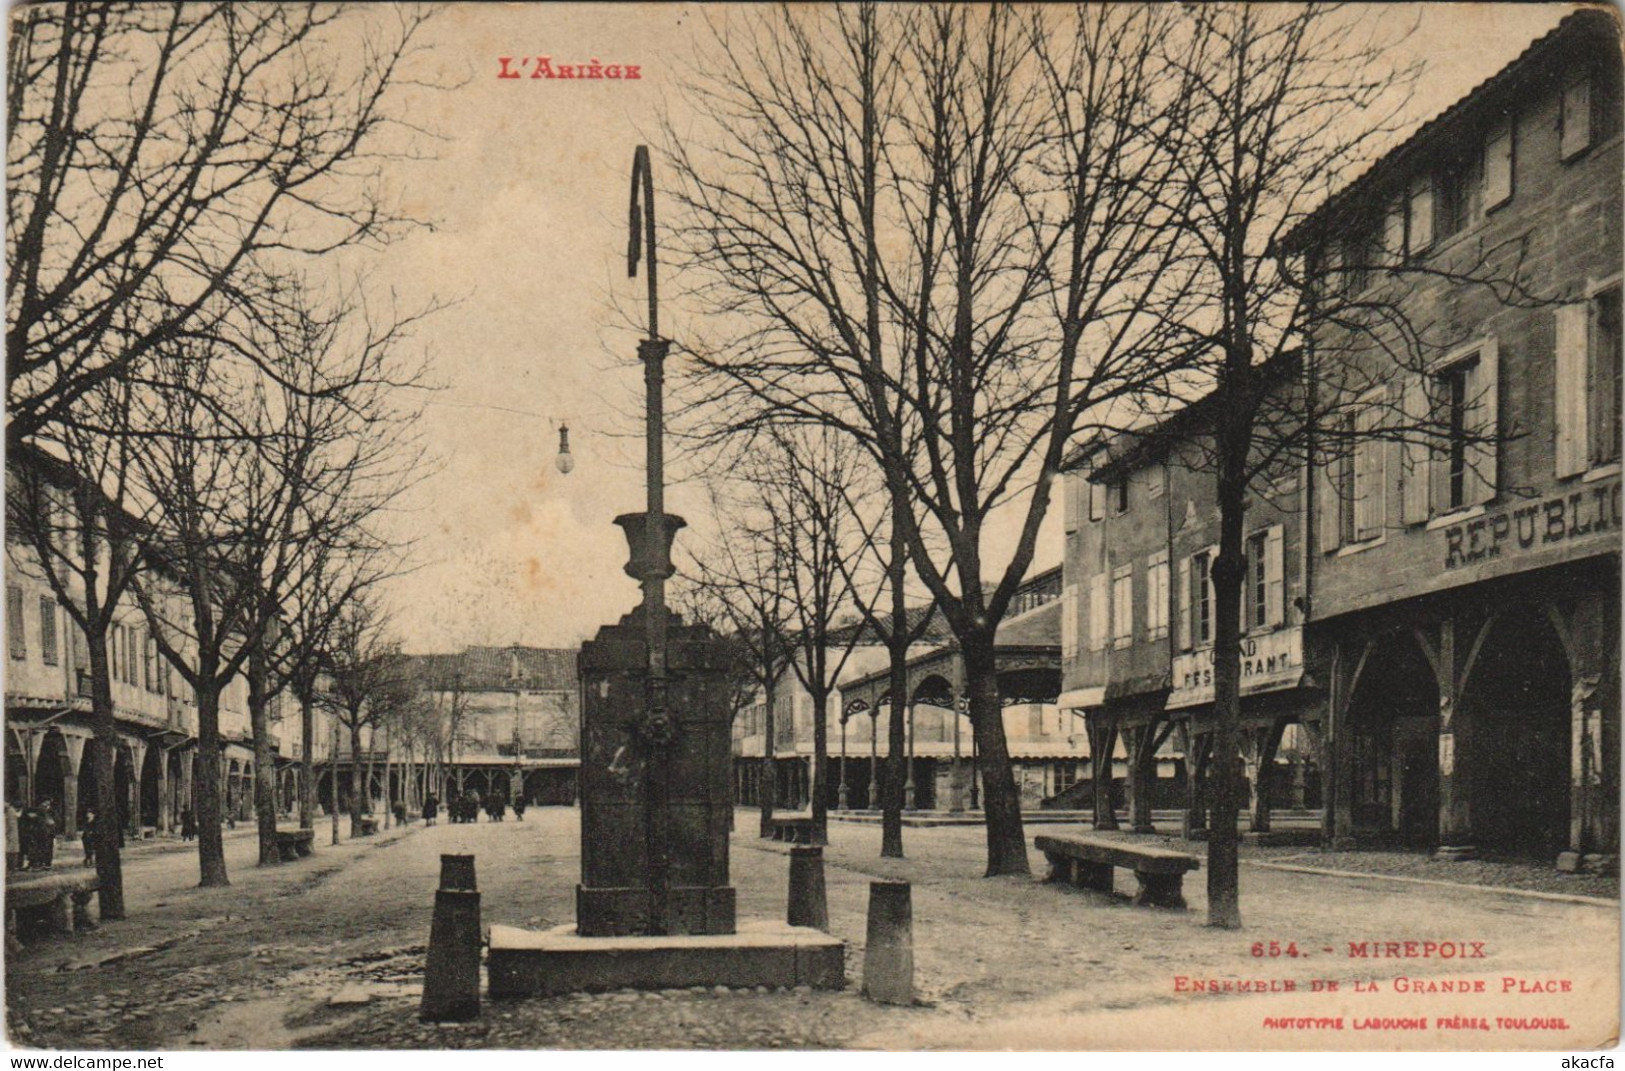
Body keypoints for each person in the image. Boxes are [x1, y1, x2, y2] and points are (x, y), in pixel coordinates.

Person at [5, 801, 20, 873]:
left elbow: (10, 825)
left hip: (11, 834)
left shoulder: (10, 811)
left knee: (11, 851)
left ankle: (11, 868)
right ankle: (12, 867)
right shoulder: (11, 811)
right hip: (12, 833)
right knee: (12, 851)